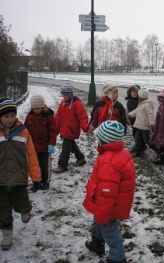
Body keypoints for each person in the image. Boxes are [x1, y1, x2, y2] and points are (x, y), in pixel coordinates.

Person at [83, 120, 136, 263]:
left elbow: (107, 193)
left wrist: (103, 212)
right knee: (98, 222)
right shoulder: (118, 152)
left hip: (109, 205)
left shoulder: (110, 161)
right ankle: (97, 242)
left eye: (98, 138)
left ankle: (117, 257)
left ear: (104, 140)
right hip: (103, 201)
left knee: (109, 230)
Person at [0, 98, 41, 251]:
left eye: (12, 116)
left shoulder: (23, 132)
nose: (10, 120)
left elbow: (31, 155)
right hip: (1, 181)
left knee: (21, 203)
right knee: (3, 210)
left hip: (18, 178)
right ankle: (7, 235)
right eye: (6, 116)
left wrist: (36, 178)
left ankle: (25, 210)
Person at [53, 82, 92, 173]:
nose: (64, 96)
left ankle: (62, 165)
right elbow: (58, 117)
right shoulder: (62, 103)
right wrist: (55, 129)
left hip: (71, 130)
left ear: (70, 94)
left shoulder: (77, 105)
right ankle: (80, 158)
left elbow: (82, 116)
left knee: (65, 148)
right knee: (71, 145)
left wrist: (85, 127)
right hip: (64, 129)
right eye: (63, 94)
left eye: (66, 95)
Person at [24, 95, 57, 190]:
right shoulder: (29, 117)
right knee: (35, 166)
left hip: (45, 146)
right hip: (33, 146)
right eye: (34, 109)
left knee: (45, 165)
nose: (36, 110)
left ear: (42, 107)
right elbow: (25, 130)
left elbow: (52, 131)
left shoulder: (48, 117)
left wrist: (51, 143)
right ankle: (36, 182)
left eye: (38, 108)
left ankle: (46, 181)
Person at [128, 88, 155, 157]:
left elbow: (151, 115)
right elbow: (136, 111)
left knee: (147, 140)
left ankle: (157, 150)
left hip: (145, 126)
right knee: (137, 139)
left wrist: (152, 123)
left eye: (139, 95)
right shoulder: (141, 103)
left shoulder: (147, 104)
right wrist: (130, 115)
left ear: (141, 96)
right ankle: (139, 152)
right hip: (139, 125)